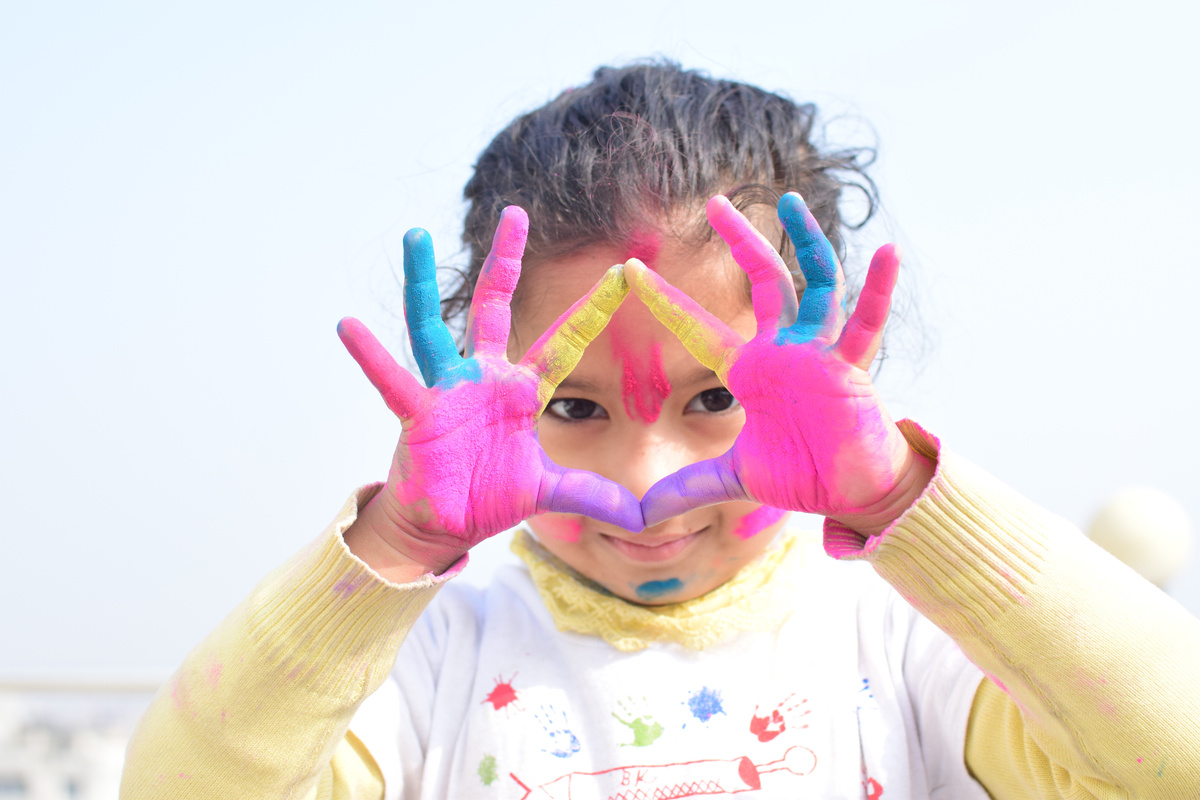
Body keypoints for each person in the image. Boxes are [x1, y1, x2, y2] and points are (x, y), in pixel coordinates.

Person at [119, 62, 1200, 799]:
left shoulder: (904, 643)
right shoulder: (431, 665)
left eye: (716, 396)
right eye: (573, 407)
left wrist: (899, 501)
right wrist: (394, 545)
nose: (648, 482)